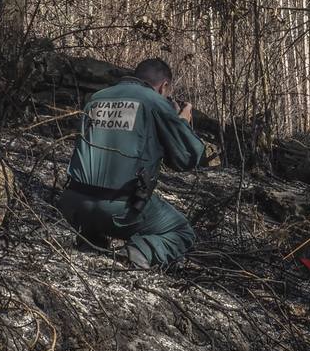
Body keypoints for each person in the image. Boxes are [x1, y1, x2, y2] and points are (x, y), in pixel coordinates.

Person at [56, 58, 206, 268]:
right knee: (182, 232)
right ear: (164, 86)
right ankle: (136, 253)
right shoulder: (154, 102)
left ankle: (91, 240)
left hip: (73, 204)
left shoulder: (96, 98)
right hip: (119, 209)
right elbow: (188, 158)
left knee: (98, 186)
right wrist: (181, 121)